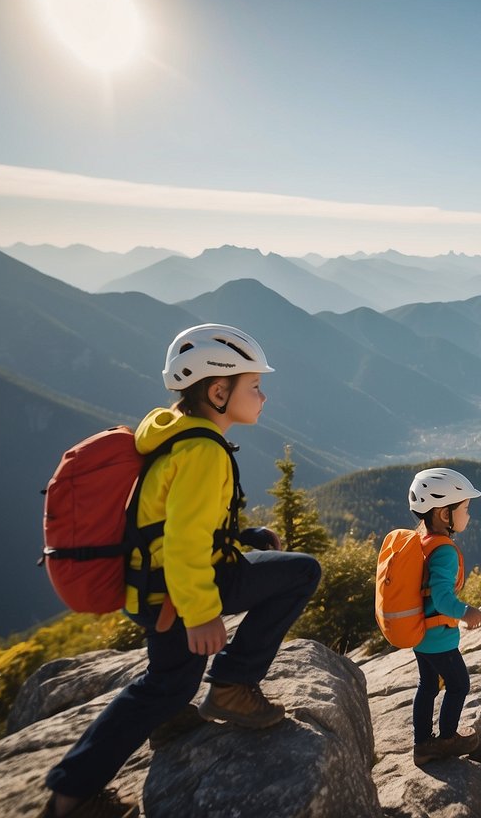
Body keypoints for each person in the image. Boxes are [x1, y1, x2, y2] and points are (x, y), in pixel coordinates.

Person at [40, 324, 323, 817]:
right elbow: (186, 542)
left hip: (151, 587)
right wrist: (201, 615)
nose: (263, 395)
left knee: (168, 685)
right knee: (301, 572)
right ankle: (233, 687)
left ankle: (158, 723)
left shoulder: (173, 432)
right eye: (253, 385)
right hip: (178, 590)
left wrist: (246, 539)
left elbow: (178, 522)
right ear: (218, 391)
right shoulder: (203, 451)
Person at [406, 467, 481, 767]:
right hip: (439, 639)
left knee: (427, 685)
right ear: (443, 513)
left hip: (420, 635)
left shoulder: (421, 541)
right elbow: (441, 598)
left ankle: (422, 744)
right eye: (464, 508)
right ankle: (448, 738)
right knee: (458, 684)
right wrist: (466, 612)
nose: (468, 514)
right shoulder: (444, 552)